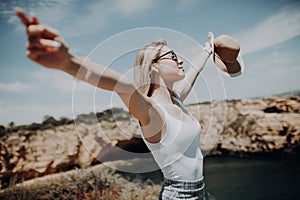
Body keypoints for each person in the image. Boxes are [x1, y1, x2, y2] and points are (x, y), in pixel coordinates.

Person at [16, 9, 213, 200]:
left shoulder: (176, 99)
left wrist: (207, 49)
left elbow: (194, 70)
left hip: (199, 192)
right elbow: (125, 86)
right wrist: (69, 62)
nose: (180, 61)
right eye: (172, 57)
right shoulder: (154, 113)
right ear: (153, 66)